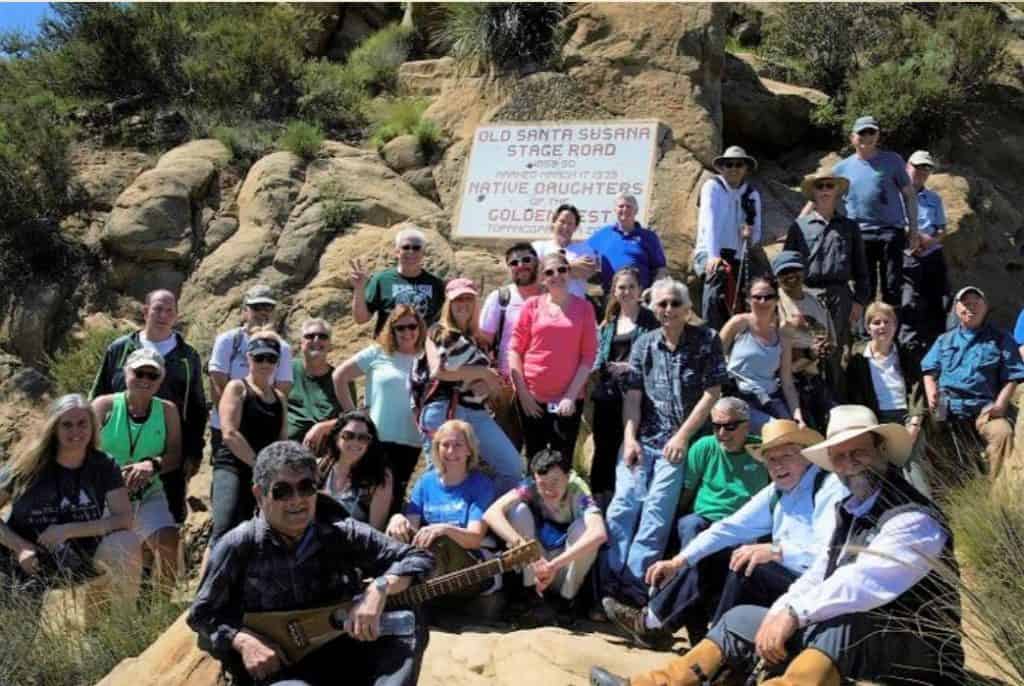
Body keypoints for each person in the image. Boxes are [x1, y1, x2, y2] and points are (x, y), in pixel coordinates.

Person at [593, 405, 963, 686]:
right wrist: (783, 608)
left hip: (920, 653)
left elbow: (862, 583)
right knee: (741, 618)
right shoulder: (849, 506)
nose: (849, 464)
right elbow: (821, 568)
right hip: (837, 618)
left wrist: (794, 612)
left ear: (882, 449)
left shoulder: (913, 519)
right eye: (840, 455)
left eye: (859, 452)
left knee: (843, 618)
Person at [189, 441, 434, 686]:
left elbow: (417, 558)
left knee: (409, 621)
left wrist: (380, 587)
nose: (297, 500)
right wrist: (243, 641)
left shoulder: (341, 531)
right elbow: (202, 613)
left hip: (346, 651)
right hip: (284, 669)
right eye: (282, 491)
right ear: (259, 494)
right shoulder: (240, 544)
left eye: (306, 487)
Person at [602, 420, 843, 650]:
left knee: (747, 565)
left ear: (806, 455)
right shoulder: (777, 491)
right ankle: (652, 624)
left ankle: (717, 648)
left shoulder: (827, 488)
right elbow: (729, 527)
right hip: (783, 576)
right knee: (710, 554)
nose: (778, 465)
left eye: (786, 456)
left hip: (810, 587)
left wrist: (778, 551)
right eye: (771, 459)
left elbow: (830, 556)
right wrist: (678, 561)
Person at [598, 279, 726, 612]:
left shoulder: (706, 341)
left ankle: (635, 587)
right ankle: (608, 582)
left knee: (656, 511)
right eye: (661, 304)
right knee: (622, 505)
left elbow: (713, 393)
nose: (667, 310)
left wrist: (682, 436)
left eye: (674, 303)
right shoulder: (645, 344)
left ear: (687, 309)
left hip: (679, 442)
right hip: (643, 440)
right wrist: (629, 439)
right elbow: (634, 397)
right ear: (653, 309)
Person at [602, 397, 769, 645]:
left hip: (743, 527)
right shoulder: (704, 447)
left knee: (703, 554)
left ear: (747, 425)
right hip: (704, 520)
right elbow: (687, 493)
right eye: (716, 426)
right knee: (690, 528)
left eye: (731, 426)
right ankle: (686, 628)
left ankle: (655, 623)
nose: (722, 433)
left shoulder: (763, 454)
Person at [0, 395, 141, 617]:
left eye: (82, 424)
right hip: (26, 561)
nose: (76, 431)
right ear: (53, 428)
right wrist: (20, 547)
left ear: (92, 426)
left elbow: (124, 519)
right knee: (17, 633)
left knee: (127, 541)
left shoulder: (104, 465)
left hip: (81, 558)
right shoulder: (26, 465)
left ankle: (124, 623)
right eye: (67, 424)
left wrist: (68, 530)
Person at [90, 288, 206, 526]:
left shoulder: (188, 356)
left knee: (168, 521)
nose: (163, 315)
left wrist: (194, 452)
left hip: (168, 457)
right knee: (108, 520)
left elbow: (196, 407)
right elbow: (98, 392)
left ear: (176, 315)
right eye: (157, 309)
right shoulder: (120, 348)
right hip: (115, 452)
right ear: (145, 311)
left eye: (169, 310)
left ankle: (155, 565)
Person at [418, 279, 522, 494]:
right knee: (440, 473)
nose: (463, 304)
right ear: (449, 304)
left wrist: (485, 384)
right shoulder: (439, 331)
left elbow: (476, 384)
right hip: (444, 409)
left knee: (512, 466)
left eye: (468, 299)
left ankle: (487, 514)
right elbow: (438, 371)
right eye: (457, 300)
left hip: (476, 411)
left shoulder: (478, 340)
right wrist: (482, 373)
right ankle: (437, 524)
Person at [92, 349, 182, 595]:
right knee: (111, 557)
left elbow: (175, 454)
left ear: (160, 380)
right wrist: (111, 475)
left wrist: (152, 464)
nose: (145, 379)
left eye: (152, 375)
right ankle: (107, 619)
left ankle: (160, 612)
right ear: (125, 373)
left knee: (168, 542)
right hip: (105, 496)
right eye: (139, 372)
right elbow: (80, 451)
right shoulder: (104, 406)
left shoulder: (167, 411)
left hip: (148, 493)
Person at [483, 449, 607, 621]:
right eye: (543, 483)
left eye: (555, 481)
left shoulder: (578, 488)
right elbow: (492, 513)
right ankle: (529, 593)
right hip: (535, 561)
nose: (549, 490)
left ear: (567, 475)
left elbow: (599, 533)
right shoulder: (529, 486)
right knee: (518, 511)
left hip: (563, 564)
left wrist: (554, 566)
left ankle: (567, 600)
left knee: (583, 528)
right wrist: (523, 547)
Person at [386, 420, 498, 602]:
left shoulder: (481, 485)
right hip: (430, 561)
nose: (451, 451)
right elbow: (411, 533)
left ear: (469, 450)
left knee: (440, 541)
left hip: (467, 561)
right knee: (396, 533)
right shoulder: (425, 483)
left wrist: (443, 529)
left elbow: (474, 538)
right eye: (445, 445)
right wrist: (398, 519)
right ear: (437, 449)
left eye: (458, 445)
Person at [922, 286, 1024, 482]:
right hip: (947, 407)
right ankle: (945, 491)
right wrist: (931, 394)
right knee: (927, 440)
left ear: (985, 307)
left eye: (975, 303)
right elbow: (928, 370)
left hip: (984, 409)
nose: (970, 308)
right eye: (965, 304)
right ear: (957, 309)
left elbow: (1013, 375)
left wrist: (1001, 404)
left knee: (1002, 433)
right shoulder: (944, 340)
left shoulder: (1001, 338)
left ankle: (997, 493)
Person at [785, 169, 868, 397]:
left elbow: (861, 269)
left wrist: (859, 301)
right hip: (808, 294)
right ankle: (812, 405)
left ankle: (836, 404)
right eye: (819, 187)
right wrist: (790, 300)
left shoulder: (849, 227)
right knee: (808, 350)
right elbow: (787, 265)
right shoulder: (799, 227)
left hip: (839, 294)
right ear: (812, 192)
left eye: (829, 186)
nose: (824, 191)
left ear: (837, 192)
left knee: (836, 350)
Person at [334, 305, 426, 511]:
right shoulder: (377, 352)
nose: (407, 332)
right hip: (376, 439)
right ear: (391, 330)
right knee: (364, 495)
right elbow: (339, 376)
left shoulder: (427, 357)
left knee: (393, 498)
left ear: (420, 327)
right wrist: (354, 417)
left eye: (412, 326)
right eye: (400, 328)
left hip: (411, 441)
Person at [509, 252, 599, 461]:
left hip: (567, 400)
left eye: (562, 269)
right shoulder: (531, 306)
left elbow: (588, 355)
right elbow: (515, 350)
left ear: (569, 273)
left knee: (562, 459)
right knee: (535, 457)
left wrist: (570, 395)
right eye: (549, 272)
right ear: (542, 278)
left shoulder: (584, 308)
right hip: (532, 399)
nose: (556, 275)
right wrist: (523, 394)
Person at [831, 115, 919, 314]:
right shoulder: (842, 168)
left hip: (891, 231)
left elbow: (909, 195)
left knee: (892, 284)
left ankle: (893, 333)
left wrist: (913, 230)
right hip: (860, 233)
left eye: (872, 132)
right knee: (864, 286)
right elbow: (822, 195)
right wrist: (802, 222)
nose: (867, 137)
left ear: (878, 136)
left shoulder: (893, 160)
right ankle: (865, 334)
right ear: (853, 137)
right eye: (863, 133)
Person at [211, 331, 288, 546]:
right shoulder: (237, 387)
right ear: (249, 358)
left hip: (265, 474)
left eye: (271, 358)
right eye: (259, 357)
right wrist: (258, 465)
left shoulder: (280, 398)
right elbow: (229, 434)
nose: (265, 363)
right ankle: (208, 579)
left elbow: (282, 442)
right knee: (224, 529)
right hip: (233, 466)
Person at [846, 302, 930, 495]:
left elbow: (917, 392)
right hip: (875, 421)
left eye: (887, 321)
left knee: (912, 465)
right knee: (875, 468)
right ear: (868, 327)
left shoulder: (906, 354)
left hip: (906, 419)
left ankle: (926, 510)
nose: (882, 326)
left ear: (896, 325)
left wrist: (914, 425)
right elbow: (853, 395)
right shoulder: (857, 357)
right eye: (876, 322)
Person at [590, 267, 659, 500]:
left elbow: (658, 356)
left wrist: (631, 366)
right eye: (621, 287)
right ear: (614, 291)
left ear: (640, 290)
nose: (626, 291)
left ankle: (629, 499)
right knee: (604, 450)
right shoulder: (608, 323)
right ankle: (600, 499)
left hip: (639, 396)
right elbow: (598, 357)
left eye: (631, 286)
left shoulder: (651, 320)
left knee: (631, 447)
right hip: (608, 396)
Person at [208, 284, 293, 458]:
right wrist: (231, 422)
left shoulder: (282, 348)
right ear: (245, 311)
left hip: (264, 427)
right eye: (256, 307)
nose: (263, 312)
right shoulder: (228, 341)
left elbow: (281, 389)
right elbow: (217, 386)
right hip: (226, 426)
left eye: (268, 307)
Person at [478, 242, 544, 450]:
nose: (520, 265)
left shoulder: (551, 295)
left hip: (543, 384)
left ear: (537, 262)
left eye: (526, 260)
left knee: (540, 449)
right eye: (514, 262)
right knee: (507, 449)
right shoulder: (500, 298)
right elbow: (483, 340)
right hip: (506, 386)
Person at [719, 276, 803, 432]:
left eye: (769, 297)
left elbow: (787, 382)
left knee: (793, 432)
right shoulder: (739, 323)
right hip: (740, 397)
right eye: (757, 297)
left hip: (771, 398)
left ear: (777, 299)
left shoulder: (783, 335)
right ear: (748, 300)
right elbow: (713, 358)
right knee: (776, 431)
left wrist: (798, 416)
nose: (763, 302)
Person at [693, 146, 764, 330]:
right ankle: (710, 333)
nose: (733, 168)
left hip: (738, 255)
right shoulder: (712, 186)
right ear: (722, 168)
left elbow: (756, 234)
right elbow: (710, 222)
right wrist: (713, 255)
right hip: (709, 251)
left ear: (745, 168)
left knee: (756, 289)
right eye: (728, 164)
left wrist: (750, 234)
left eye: (738, 164)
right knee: (717, 276)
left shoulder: (752, 194)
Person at [773, 251, 836, 433]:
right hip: (788, 383)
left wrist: (825, 349)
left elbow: (831, 339)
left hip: (816, 378)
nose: (791, 276)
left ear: (804, 271)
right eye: (784, 272)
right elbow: (774, 346)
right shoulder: (773, 303)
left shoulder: (816, 302)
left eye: (795, 270)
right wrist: (809, 353)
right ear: (777, 277)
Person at [900, 150, 952, 356]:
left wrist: (932, 240)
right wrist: (917, 236)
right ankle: (909, 354)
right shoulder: (897, 195)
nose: (921, 171)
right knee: (909, 303)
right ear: (907, 166)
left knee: (941, 301)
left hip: (933, 254)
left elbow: (941, 228)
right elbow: (895, 223)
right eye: (918, 166)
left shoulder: (933, 198)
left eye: (926, 168)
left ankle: (939, 350)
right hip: (908, 253)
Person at [351, 226, 446, 337]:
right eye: (406, 247)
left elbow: (444, 322)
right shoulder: (381, 280)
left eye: (416, 248)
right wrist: (359, 289)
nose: (411, 251)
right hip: (388, 350)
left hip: (423, 351)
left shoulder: (436, 284)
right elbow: (361, 319)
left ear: (423, 253)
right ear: (397, 252)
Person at [321, 410, 393, 531]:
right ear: (336, 436)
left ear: (370, 443)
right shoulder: (322, 466)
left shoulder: (379, 477)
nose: (355, 442)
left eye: (363, 438)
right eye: (348, 436)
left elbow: (376, 531)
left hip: (353, 545)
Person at [586, 193, 669, 295]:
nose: (624, 209)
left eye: (629, 206)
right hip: (610, 297)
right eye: (621, 206)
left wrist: (653, 292)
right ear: (615, 210)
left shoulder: (649, 237)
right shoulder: (602, 234)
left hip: (639, 298)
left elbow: (660, 269)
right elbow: (583, 253)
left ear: (636, 211)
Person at [286, 318, 340, 450]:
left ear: (330, 345)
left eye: (323, 336)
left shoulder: (340, 378)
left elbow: (349, 418)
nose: (316, 340)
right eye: (310, 336)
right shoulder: (286, 370)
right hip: (287, 448)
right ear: (301, 343)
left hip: (325, 453)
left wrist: (322, 427)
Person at [531, 203, 600, 301]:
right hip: (546, 307)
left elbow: (586, 271)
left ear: (575, 227)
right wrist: (572, 267)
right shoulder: (538, 247)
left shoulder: (585, 249)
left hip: (576, 307)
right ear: (554, 222)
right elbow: (534, 276)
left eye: (570, 223)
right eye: (562, 221)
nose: (565, 227)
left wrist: (548, 271)